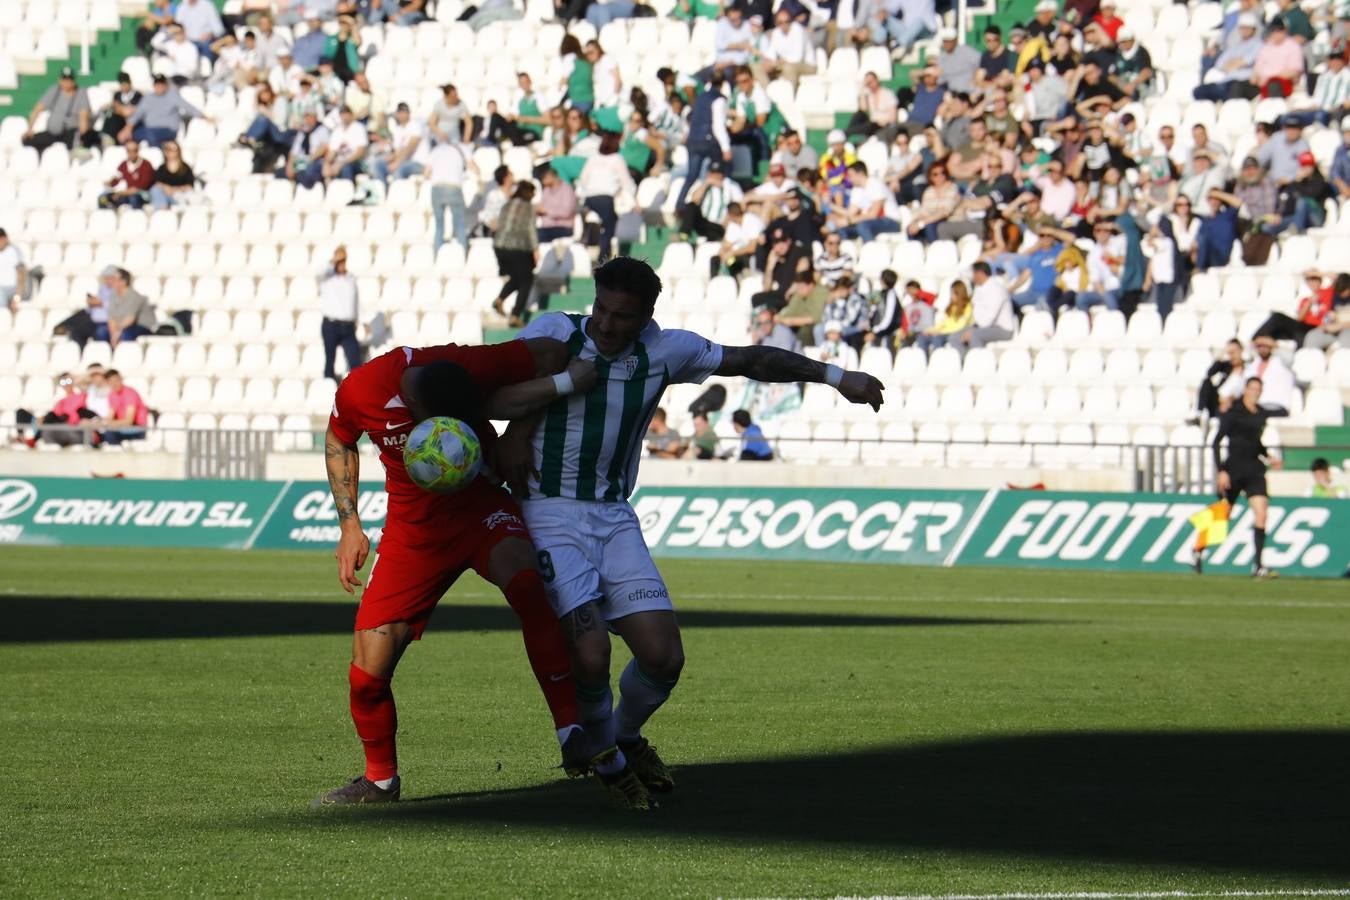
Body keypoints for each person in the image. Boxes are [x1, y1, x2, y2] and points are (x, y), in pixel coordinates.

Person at [497, 257, 884, 809]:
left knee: (663, 658)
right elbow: (508, 385)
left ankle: (624, 739)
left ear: (648, 317)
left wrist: (835, 376)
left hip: (613, 516)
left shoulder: (665, 351)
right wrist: (515, 433)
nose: (606, 325)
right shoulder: (557, 331)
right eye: (602, 309)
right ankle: (606, 759)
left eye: (622, 316)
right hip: (547, 511)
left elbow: (750, 361)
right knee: (588, 655)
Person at [312, 336, 598, 806]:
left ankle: (573, 734)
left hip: (481, 510)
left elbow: (552, 350)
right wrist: (350, 525)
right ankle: (380, 780)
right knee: (367, 672)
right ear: (415, 405)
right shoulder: (361, 390)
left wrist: (515, 436)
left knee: (529, 584)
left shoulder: (469, 364)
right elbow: (339, 438)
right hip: (414, 533)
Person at [1200, 377, 1283, 578]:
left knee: (1261, 513)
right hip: (1234, 469)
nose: (1255, 392)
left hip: (1254, 470)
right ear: (1245, 390)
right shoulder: (1233, 412)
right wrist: (1221, 470)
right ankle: (1198, 549)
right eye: (1252, 388)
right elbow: (1216, 442)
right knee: (1222, 514)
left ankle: (1258, 565)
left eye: (1258, 389)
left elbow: (1256, 442)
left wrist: (1268, 456)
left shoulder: (1261, 414)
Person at [492, 182, 540, 328]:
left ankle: (500, 299)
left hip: (499, 246)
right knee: (527, 279)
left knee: (517, 277)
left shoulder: (506, 205)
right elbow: (530, 229)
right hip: (517, 247)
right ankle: (515, 315)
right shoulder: (528, 208)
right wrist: (536, 249)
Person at [22, 67, 98, 153]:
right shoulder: (54, 90)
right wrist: (29, 129)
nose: (66, 82)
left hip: (69, 133)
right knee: (28, 141)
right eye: (64, 79)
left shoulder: (81, 93)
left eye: (69, 79)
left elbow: (83, 117)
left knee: (73, 146)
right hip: (52, 133)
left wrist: (83, 138)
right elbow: (37, 109)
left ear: (74, 80)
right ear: (60, 79)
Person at [318, 246, 363, 382]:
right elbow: (318, 272)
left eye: (343, 261)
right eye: (339, 261)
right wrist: (332, 261)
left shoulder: (351, 278)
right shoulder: (327, 278)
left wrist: (362, 320)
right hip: (331, 325)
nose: (341, 264)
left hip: (348, 327)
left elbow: (356, 301)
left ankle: (356, 389)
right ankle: (328, 388)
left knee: (355, 361)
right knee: (330, 360)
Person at [427, 138, 469, 252]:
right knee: (459, 224)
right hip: (453, 187)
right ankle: (463, 256)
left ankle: (437, 256)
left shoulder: (436, 150)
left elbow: (426, 172)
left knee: (439, 226)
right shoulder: (462, 148)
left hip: (437, 188)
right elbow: (474, 167)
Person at [101, 269, 157, 347]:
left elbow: (130, 319)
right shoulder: (113, 296)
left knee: (124, 334)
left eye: (114, 279)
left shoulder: (134, 296)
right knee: (101, 332)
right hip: (122, 327)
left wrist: (117, 333)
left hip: (141, 327)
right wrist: (113, 334)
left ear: (123, 281)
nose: (111, 281)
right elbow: (111, 318)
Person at [1247, 335, 1296, 417]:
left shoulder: (1281, 361)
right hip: (1257, 407)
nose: (1263, 348)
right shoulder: (1253, 365)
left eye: (1266, 346)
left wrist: (1273, 344)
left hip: (1277, 407)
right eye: (1260, 346)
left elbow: (1291, 359)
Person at [101, 369, 150, 445]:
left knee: (110, 434)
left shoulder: (129, 393)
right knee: (95, 435)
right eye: (110, 382)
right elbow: (110, 417)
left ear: (121, 379)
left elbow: (128, 421)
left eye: (116, 381)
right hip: (122, 428)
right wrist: (97, 422)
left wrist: (107, 423)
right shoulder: (112, 395)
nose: (114, 384)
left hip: (138, 429)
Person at [150, 140, 196, 210]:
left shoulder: (185, 168)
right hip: (165, 195)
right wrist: (167, 188)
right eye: (167, 149)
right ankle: (163, 211)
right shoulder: (162, 168)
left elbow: (189, 186)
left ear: (178, 151)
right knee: (155, 190)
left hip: (180, 196)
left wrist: (174, 189)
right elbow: (158, 183)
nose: (170, 152)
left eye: (173, 149)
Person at [0, 229, 27, 312]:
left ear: (4, 238)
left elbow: (21, 274)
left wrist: (17, 297)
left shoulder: (15, 251)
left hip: (13, 288)